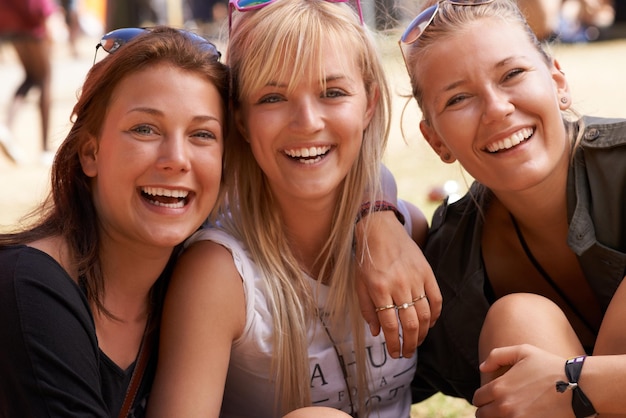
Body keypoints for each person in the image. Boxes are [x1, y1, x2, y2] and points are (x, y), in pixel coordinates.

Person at [147, 0, 431, 416]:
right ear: (240, 120)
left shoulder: (405, 235)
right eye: (273, 97)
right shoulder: (218, 274)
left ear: (369, 104)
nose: (307, 121)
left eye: (332, 92)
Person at [399, 0, 626, 416]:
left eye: (512, 74)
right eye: (458, 98)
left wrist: (572, 381)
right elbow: (361, 383)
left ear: (558, 81)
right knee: (517, 319)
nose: (497, 108)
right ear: (436, 141)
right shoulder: (455, 263)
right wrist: (374, 218)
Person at [0, 26, 228, 417]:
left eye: (202, 134)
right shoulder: (27, 289)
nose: (176, 158)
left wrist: (372, 212)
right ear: (90, 152)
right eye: (145, 129)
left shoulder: (199, 287)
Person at [0, 0, 56, 164]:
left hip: (11, 25)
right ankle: (45, 149)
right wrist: (48, 18)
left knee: (31, 77)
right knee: (45, 79)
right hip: (33, 25)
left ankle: (6, 127)